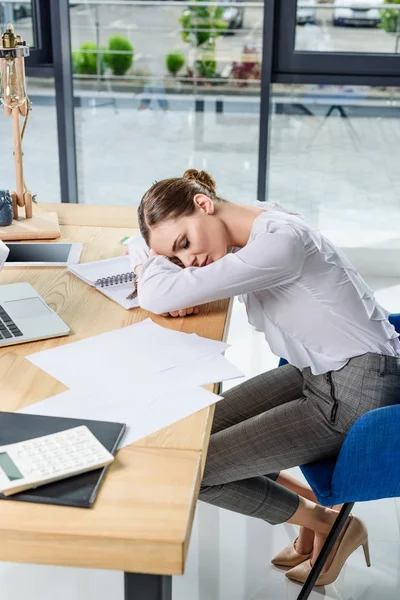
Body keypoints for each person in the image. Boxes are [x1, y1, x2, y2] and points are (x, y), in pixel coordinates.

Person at [128, 169, 400, 587]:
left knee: (194, 470)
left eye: (185, 244)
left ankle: (330, 525)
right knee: (190, 432)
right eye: (176, 259)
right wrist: (165, 262)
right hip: (319, 373)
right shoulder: (254, 223)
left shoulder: (279, 243)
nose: (189, 262)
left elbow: (157, 293)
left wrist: (165, 276)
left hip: (355, 394)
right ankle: (313, 508)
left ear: (203, 204)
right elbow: (151, 264)